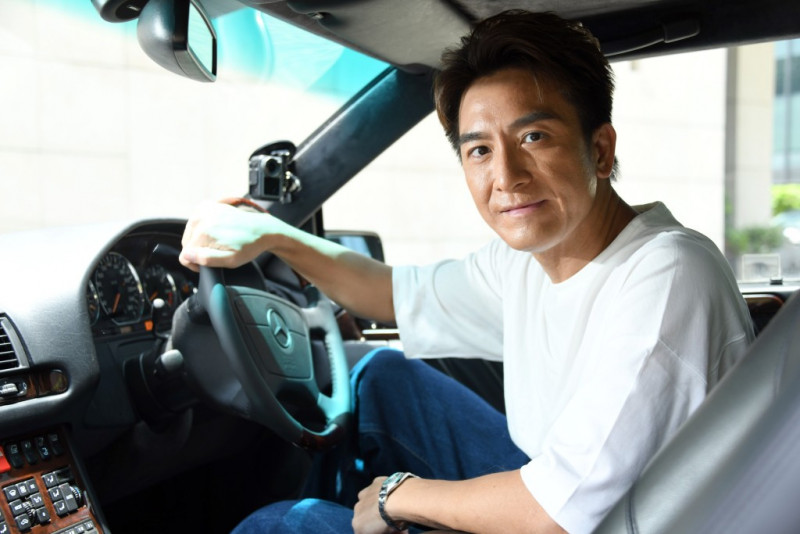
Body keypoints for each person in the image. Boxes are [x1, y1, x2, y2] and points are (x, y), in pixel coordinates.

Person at [179, 10, 754, 534]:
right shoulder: (526, 261)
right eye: (479, 150)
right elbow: (388, 293)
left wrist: (399, 497)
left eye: (533, 136)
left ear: (600, 150)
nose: (506, 176)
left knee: (285, 525)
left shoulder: (666, 275)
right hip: (565, 496)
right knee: (381, 377)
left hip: (602, 522)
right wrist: (273, 235)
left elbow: (555, 515)